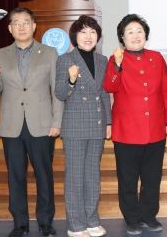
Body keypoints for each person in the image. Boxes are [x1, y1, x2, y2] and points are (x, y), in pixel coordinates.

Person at [0, 7, 63, 237]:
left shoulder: (49, 53)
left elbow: (56, 90)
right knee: (16, 176)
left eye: (26, 22)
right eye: (16, 23)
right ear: (10, 28)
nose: (21, 27)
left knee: (44, 175)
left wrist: (57, 121)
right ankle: (19, 224)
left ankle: (45, 222)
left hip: (42, 124)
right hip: (12, 125)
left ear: (34, 26)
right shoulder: (0, 54)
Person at [104, 14, 167, 236]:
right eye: (130, 32)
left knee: (152, 178)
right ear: (122, 37)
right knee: (128, 179)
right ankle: (132, 218)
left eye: (139, 31)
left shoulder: (156, 57)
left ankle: (148, 216)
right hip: (127, 131)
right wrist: (117, 66)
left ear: (145, 35)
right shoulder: (116, 58)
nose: (135, 36)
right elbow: (109, 86)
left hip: (155, 129)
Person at [55, 15, 112, 237]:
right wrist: (71, 80)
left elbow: (104, 94)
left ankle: (92, 220)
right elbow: (60, 93)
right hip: (75, 126)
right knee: (75, 177)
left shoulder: (102, 60)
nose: (88, 36)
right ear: (75, 36)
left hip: (97, 124)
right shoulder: (65, 60)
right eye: (83, 32)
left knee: (92, 175)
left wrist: (108, 122)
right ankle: (76, 224)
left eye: (92, 32)